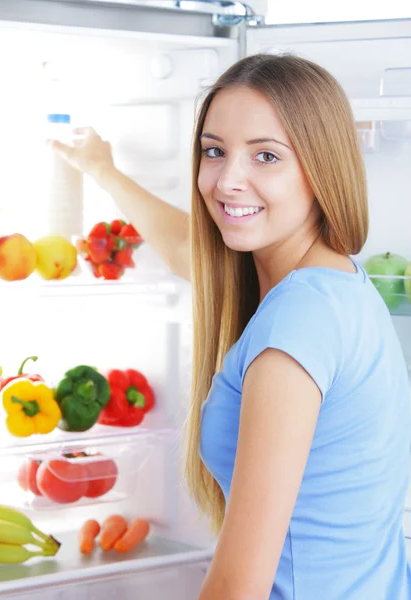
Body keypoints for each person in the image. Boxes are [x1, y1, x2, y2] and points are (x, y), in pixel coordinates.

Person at [49, 53, 411, 600]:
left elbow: (237, 588)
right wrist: (101, 170)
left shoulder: (295, 327)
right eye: (214, 151)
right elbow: (181, 247)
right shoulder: (338, 284)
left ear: (321, 170)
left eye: (266, 156)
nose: (227, 181)